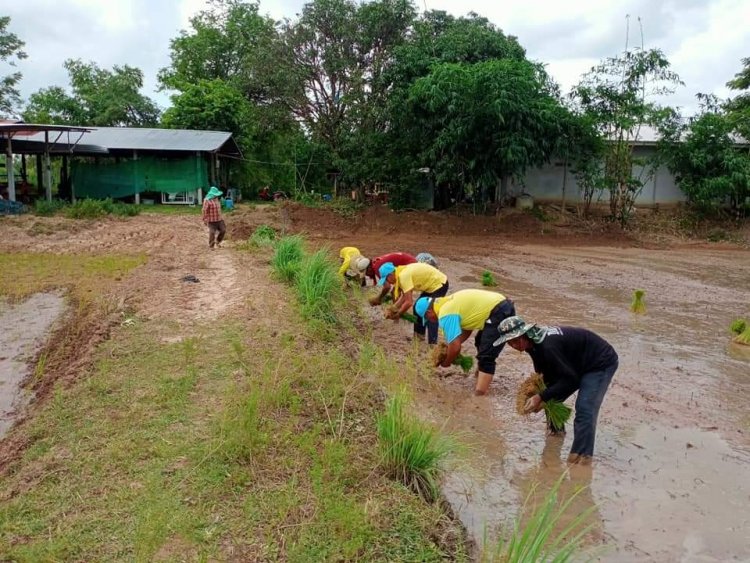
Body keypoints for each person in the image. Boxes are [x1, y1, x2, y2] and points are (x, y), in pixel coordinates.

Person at [493, 316, 619, 465]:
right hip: (575, 363)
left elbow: (571, 380)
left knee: (585, 408)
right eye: (509, 343)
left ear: (524, 333)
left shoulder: (548, 346)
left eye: (515, 340)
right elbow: (545, 374)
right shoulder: (531, 343)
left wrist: (541, 396)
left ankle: (581, 458)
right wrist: (539, 394)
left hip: (599, 362)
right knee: (549, 392)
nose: (514, 345)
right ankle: (556, 432)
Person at [415, 289, 515, 395]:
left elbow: (456, 347)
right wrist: (450, 347)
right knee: (479, 342)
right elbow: (467, 328)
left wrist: (447, 362)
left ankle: (479, 396)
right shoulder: (447, 302)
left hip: (498, 312)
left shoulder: (445, 314)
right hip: (502, 304)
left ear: (428, 312)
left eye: (428, 318)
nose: (431, 321)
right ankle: (480, 375)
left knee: (487, 355)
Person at [379, 261, 449, 344]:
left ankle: (432, 343)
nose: (388, 283)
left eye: (386, 280)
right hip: (429, 287)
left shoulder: (403, 276)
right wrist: (392, 309)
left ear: (390, 275)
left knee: (431, 312)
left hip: (439, 284)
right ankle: (419, 337)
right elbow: (404, 296)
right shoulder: (400, 273)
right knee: (417, 308)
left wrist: (399, 314)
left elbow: (408, 302)